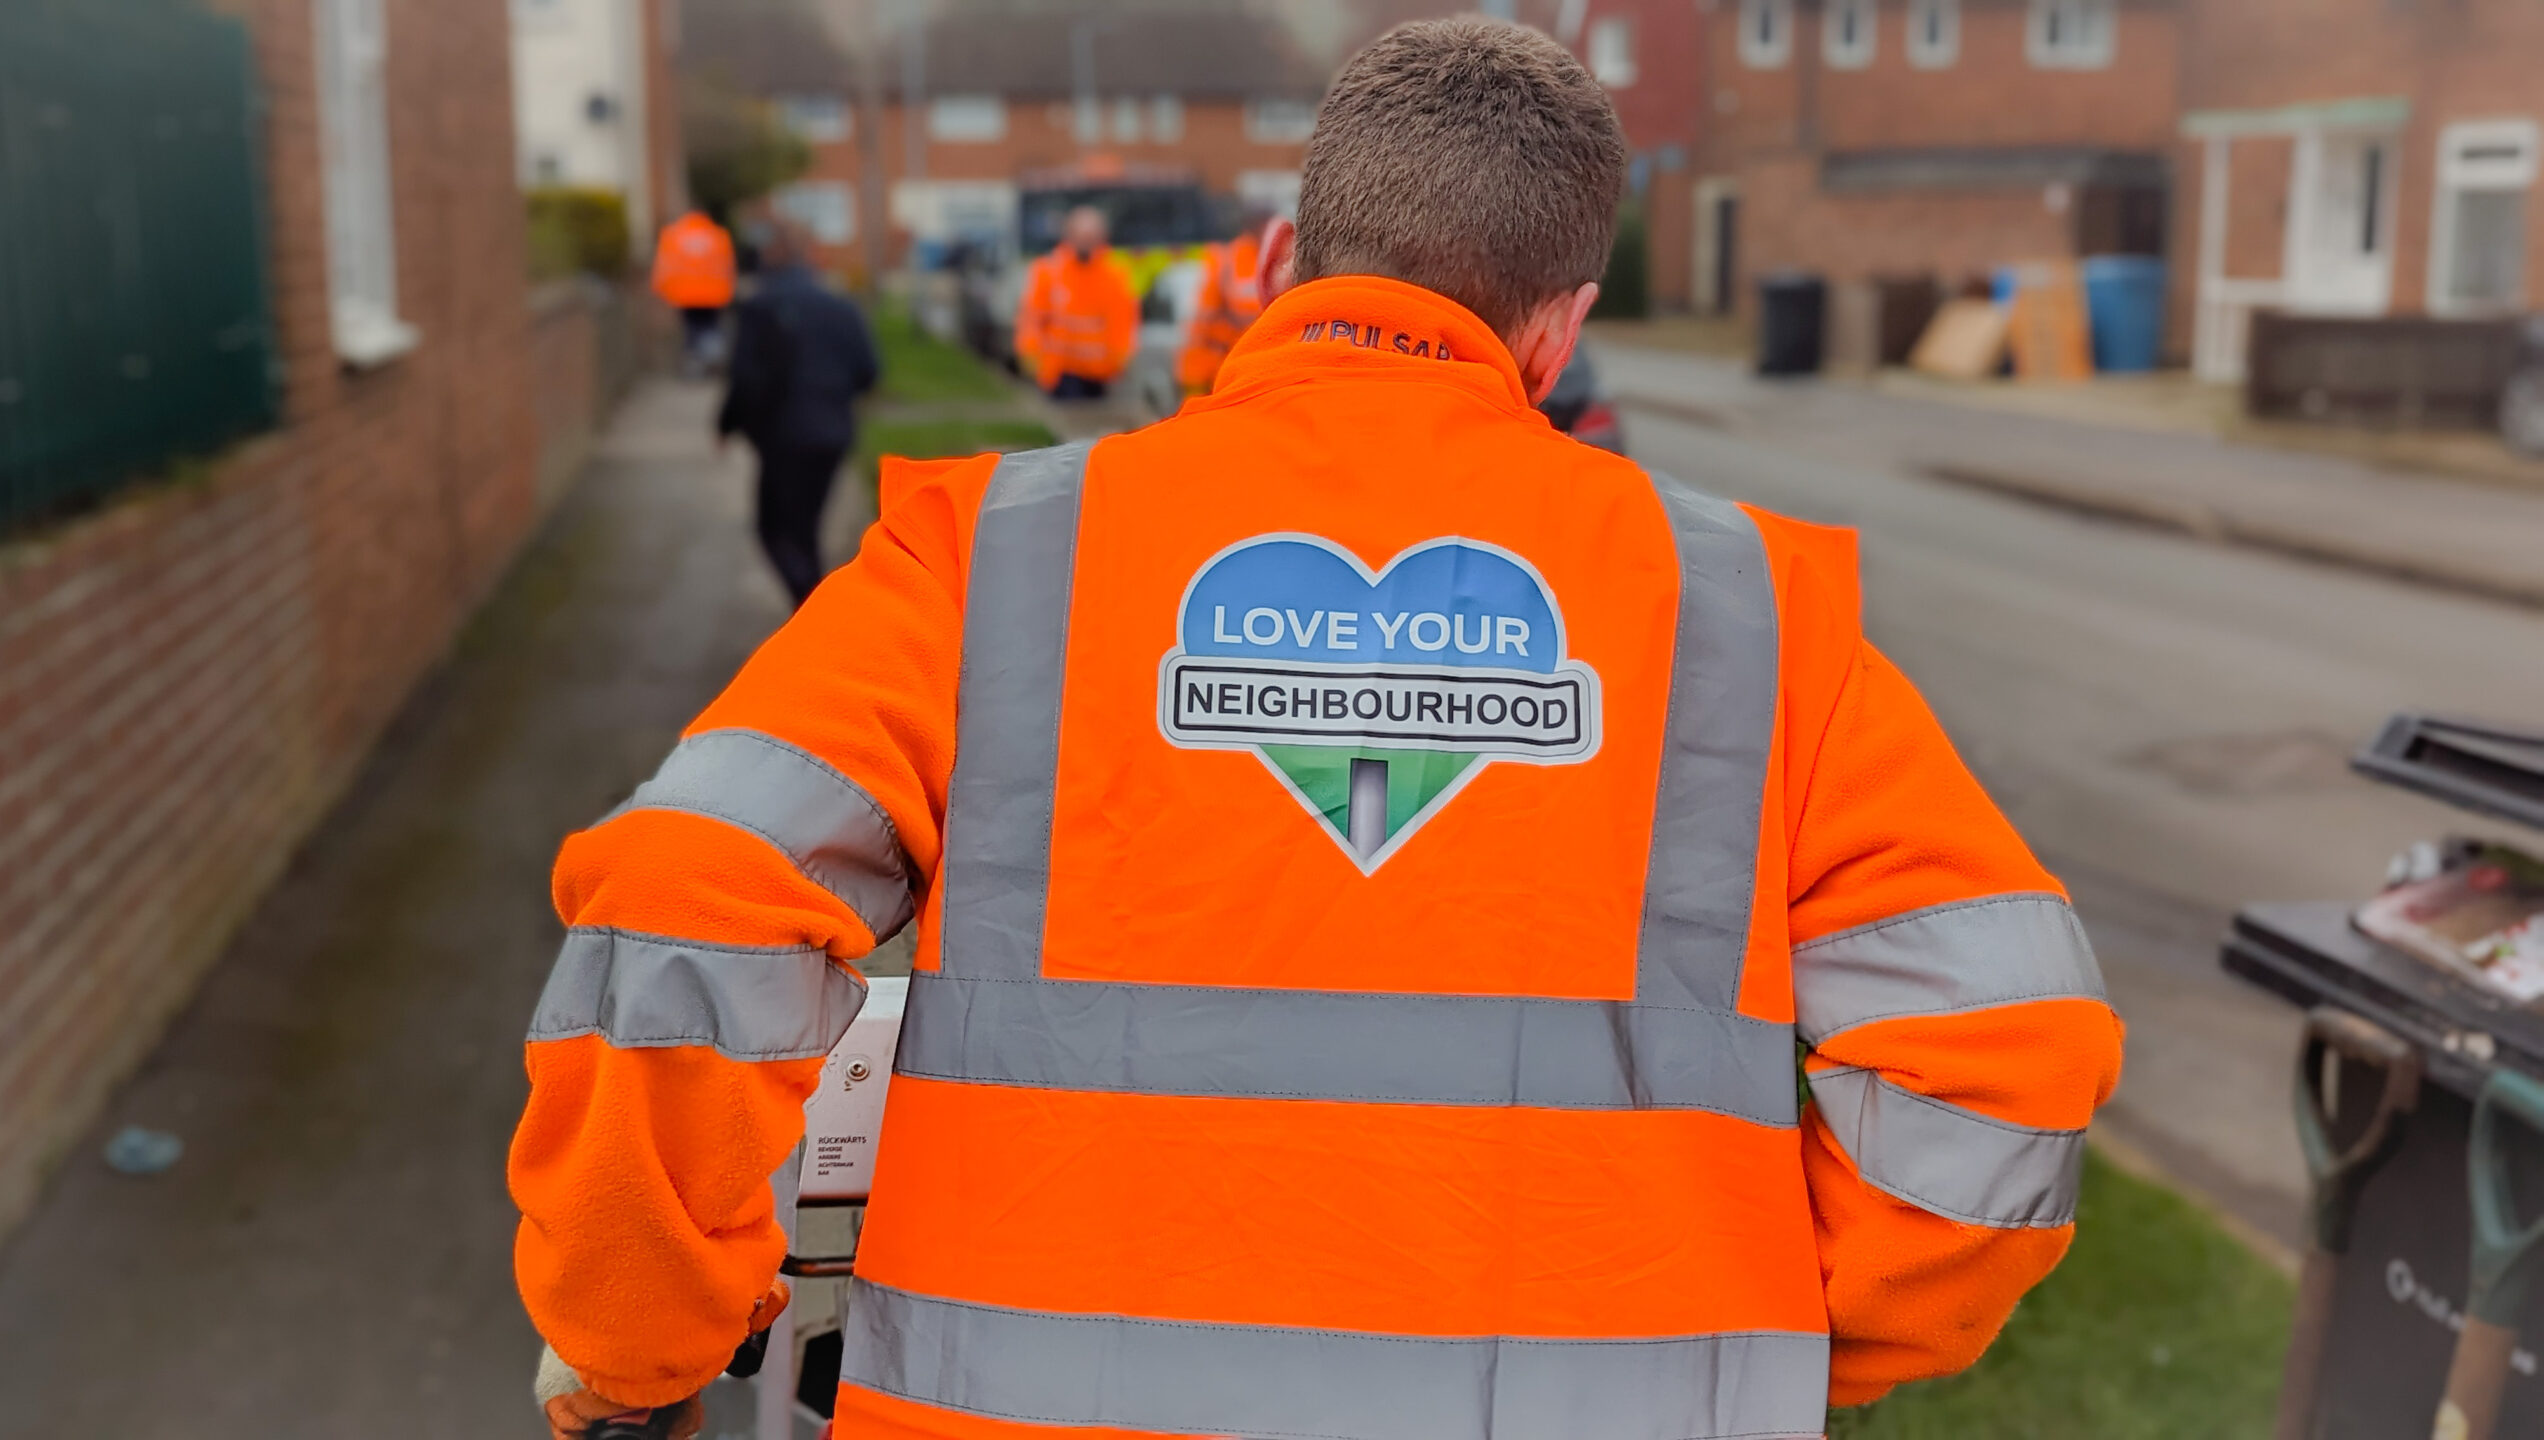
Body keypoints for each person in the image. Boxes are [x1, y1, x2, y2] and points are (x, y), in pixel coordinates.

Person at [512, 19, 2122, 1440]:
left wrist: (636, 1344)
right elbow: (2007, 1048)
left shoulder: (999, 560)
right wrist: (1791, 1333)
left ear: (1282, 263)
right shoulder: (1750, 617)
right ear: (1558, 331)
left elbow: (680, 913)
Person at [713, 221, 880, 607]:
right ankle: (814, 610)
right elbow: (869, 371)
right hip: (833, 435)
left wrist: (727, 424)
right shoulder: (841, 307)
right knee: (805, 529)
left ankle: (813, 610)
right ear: (810, 258)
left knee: (773, 529)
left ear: (772, 257)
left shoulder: (759, 307)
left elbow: (745, 379)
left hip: (783, 438)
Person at [1012, 205, 1138, 400]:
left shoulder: (1115, 273)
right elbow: (1032, 317)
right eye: (1081, 236)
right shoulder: (1049, 270)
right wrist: (1029, 351)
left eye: (1090, 237)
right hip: (1060, 371)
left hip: (1101, 372)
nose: (1085, 243)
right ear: (1069, 235)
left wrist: (1122, 356)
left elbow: (1123, 319)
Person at [1173, 203, 1273, 399]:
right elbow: (1210, 314)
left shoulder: (1270, 259)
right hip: (1213, 365)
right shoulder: (1228, 259)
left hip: (1244, 365)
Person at [650, 209, 738, 375]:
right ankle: (712, 357)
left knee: (692, 329)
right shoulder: (718, 235)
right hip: (714, 294)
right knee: (710, 327)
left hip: (684, 294)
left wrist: (660, 291)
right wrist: (729, 291)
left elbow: (664, 266)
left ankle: (696, 362)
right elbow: (728, 266)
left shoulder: (673, 236)